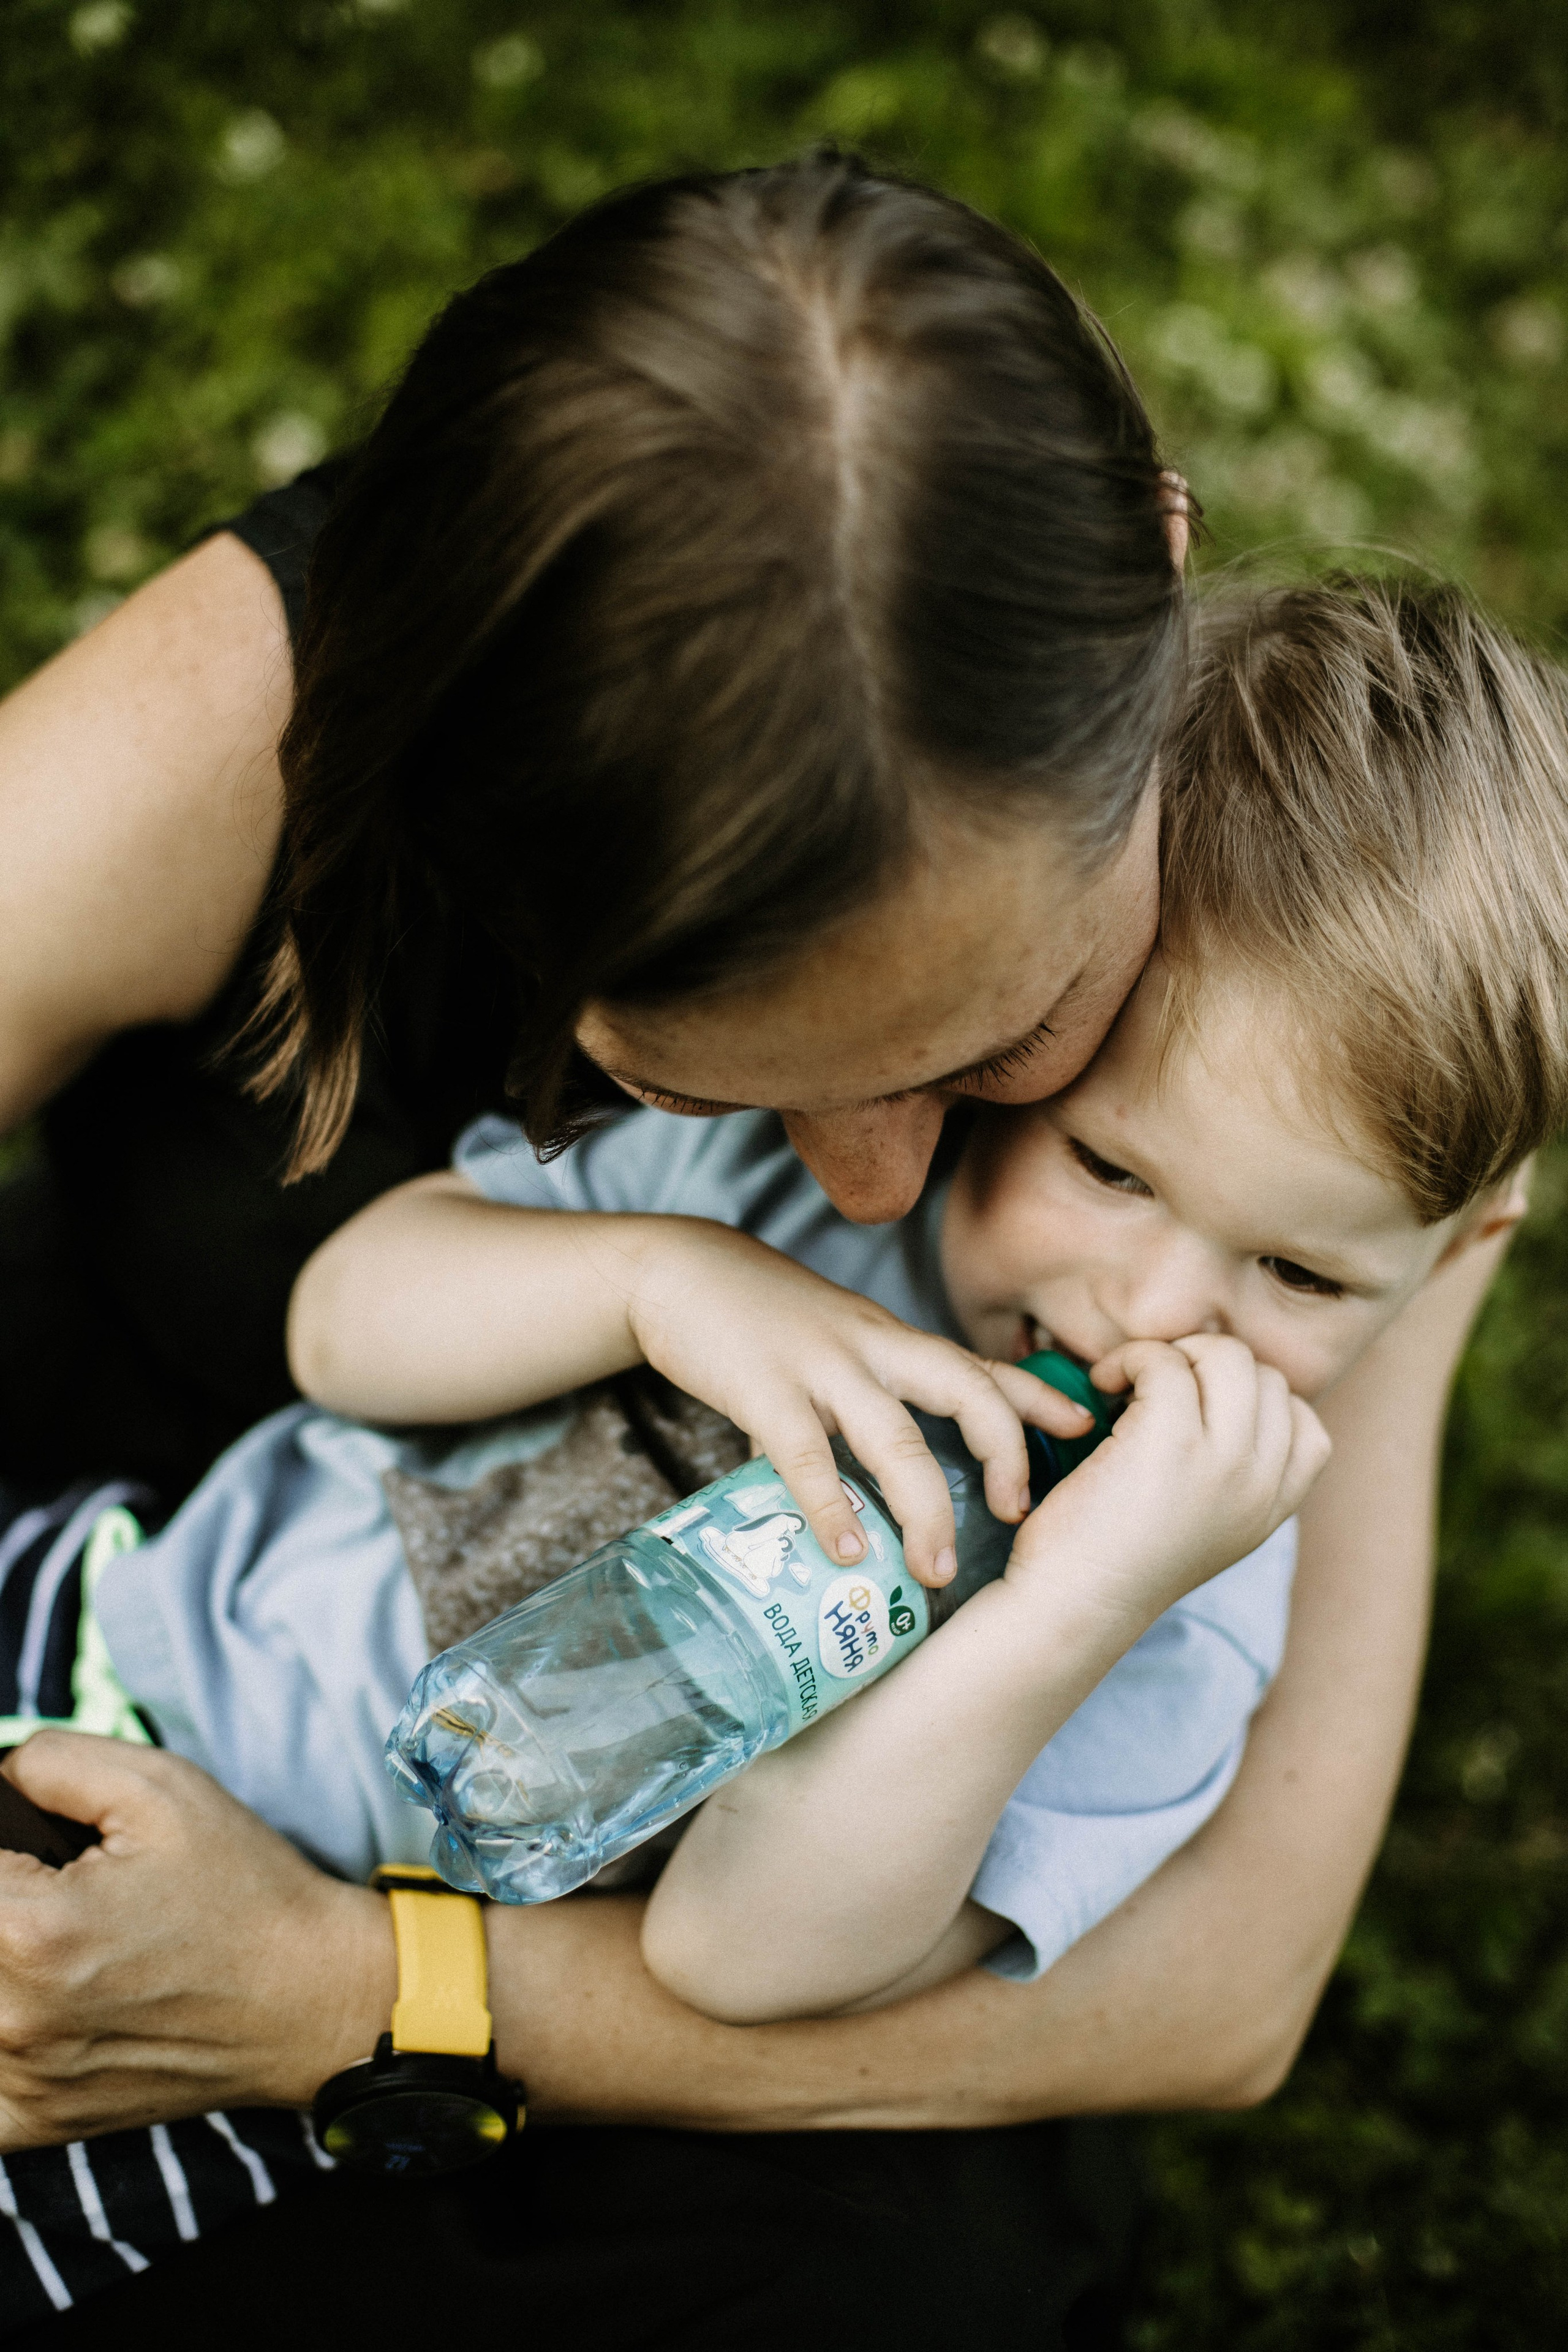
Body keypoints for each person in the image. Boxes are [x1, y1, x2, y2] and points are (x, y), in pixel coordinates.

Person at [0, 155, 1487, 2343]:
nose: (863, 1195)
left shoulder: (1322, 1066)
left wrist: (350, 1993)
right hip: (206, 1527)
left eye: (1011, 1044)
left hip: (630, 1896)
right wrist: (650, 1266)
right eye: (733, 1080)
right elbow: (373, 1298)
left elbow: (1223, 1985)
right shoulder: (265, 727)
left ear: (1158, 595)